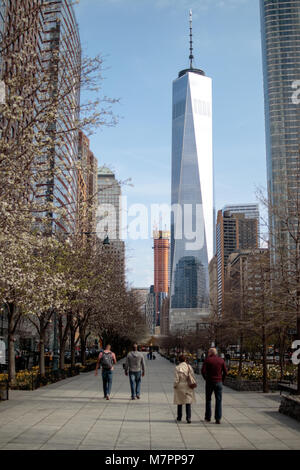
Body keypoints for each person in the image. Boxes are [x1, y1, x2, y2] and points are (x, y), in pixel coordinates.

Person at [201, 348, 227, 424]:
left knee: (208, 400)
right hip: (218, 382)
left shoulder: (207, 360)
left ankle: (208, 417)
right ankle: (218, 418)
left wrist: (206, 378)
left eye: (208, 352)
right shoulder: (221, 360)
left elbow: (203, 371)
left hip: (209, 382)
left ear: (210, 352)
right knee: (218, 400)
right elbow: (225, 372)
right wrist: (222, 380)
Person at [173, 355, 196, 424]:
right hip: (188, 386)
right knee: (188, 402)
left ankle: (179, 417)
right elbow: (193, 376)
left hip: (180, 386)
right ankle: (188, 417)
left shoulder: (177, 368)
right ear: (185, 360)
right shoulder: (189, 367)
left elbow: (176, 379)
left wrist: (175, 385)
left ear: (179, 360)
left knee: (179, 402)